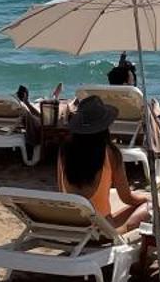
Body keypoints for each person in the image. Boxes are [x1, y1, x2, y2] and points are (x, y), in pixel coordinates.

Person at [58, 96, 150, 233]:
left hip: (72, 227)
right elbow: (127, 198)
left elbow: (62, 192)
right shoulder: (111, 153)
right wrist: (145, 198)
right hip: (101, 232)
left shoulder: (64, 150)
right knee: (150, 207)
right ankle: (124, 230)